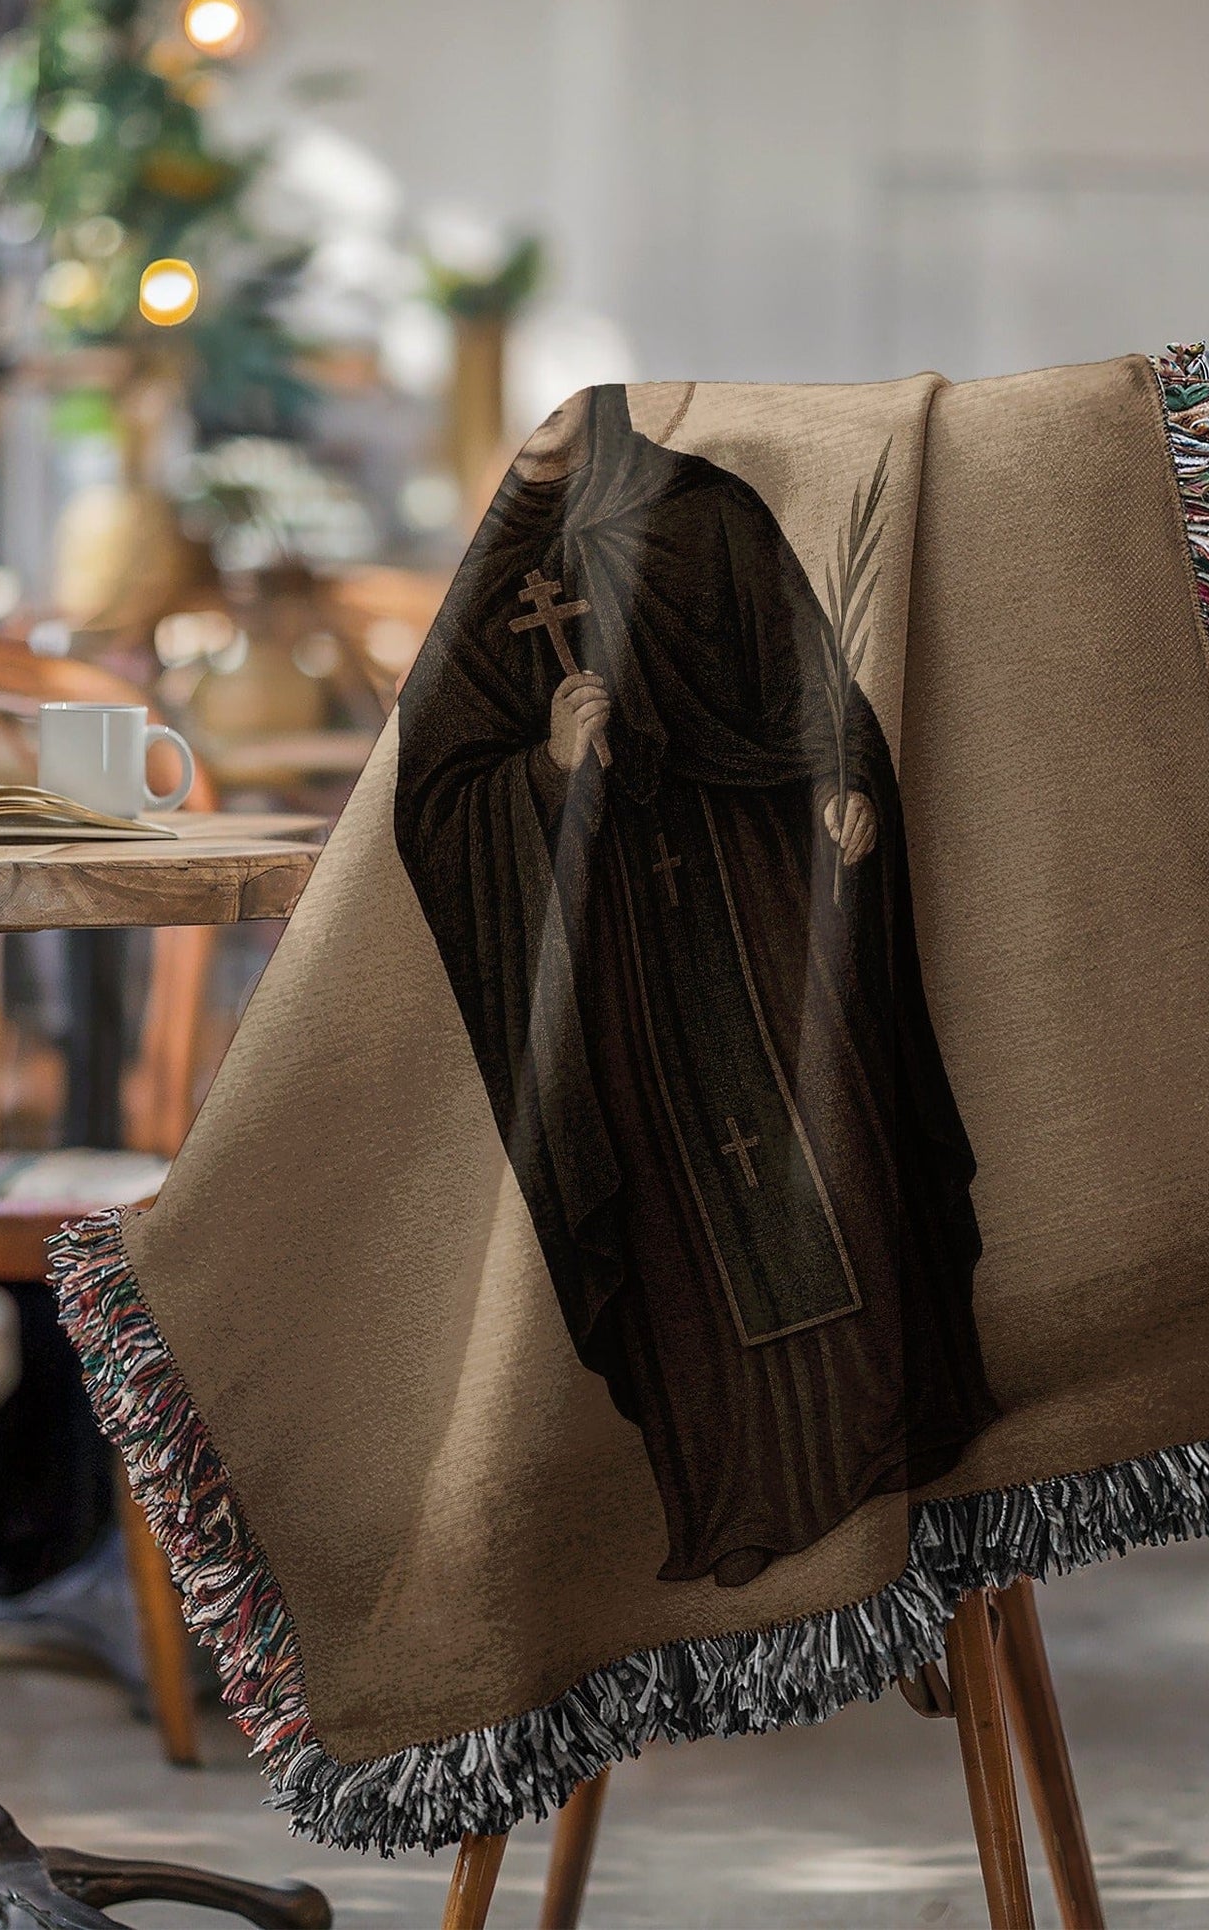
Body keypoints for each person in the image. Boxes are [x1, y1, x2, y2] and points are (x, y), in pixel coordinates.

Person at [395, 384, 995, 1586]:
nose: (544, 431)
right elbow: (438, 807)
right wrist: (547, 772)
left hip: (761, 892)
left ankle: (890, 1441)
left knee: (837, 1158)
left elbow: (811, 681)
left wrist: (840, 778)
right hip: (622, 955)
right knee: (681, 1224)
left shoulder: (708, 514)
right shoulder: (495, 574)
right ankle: (735, 1503)